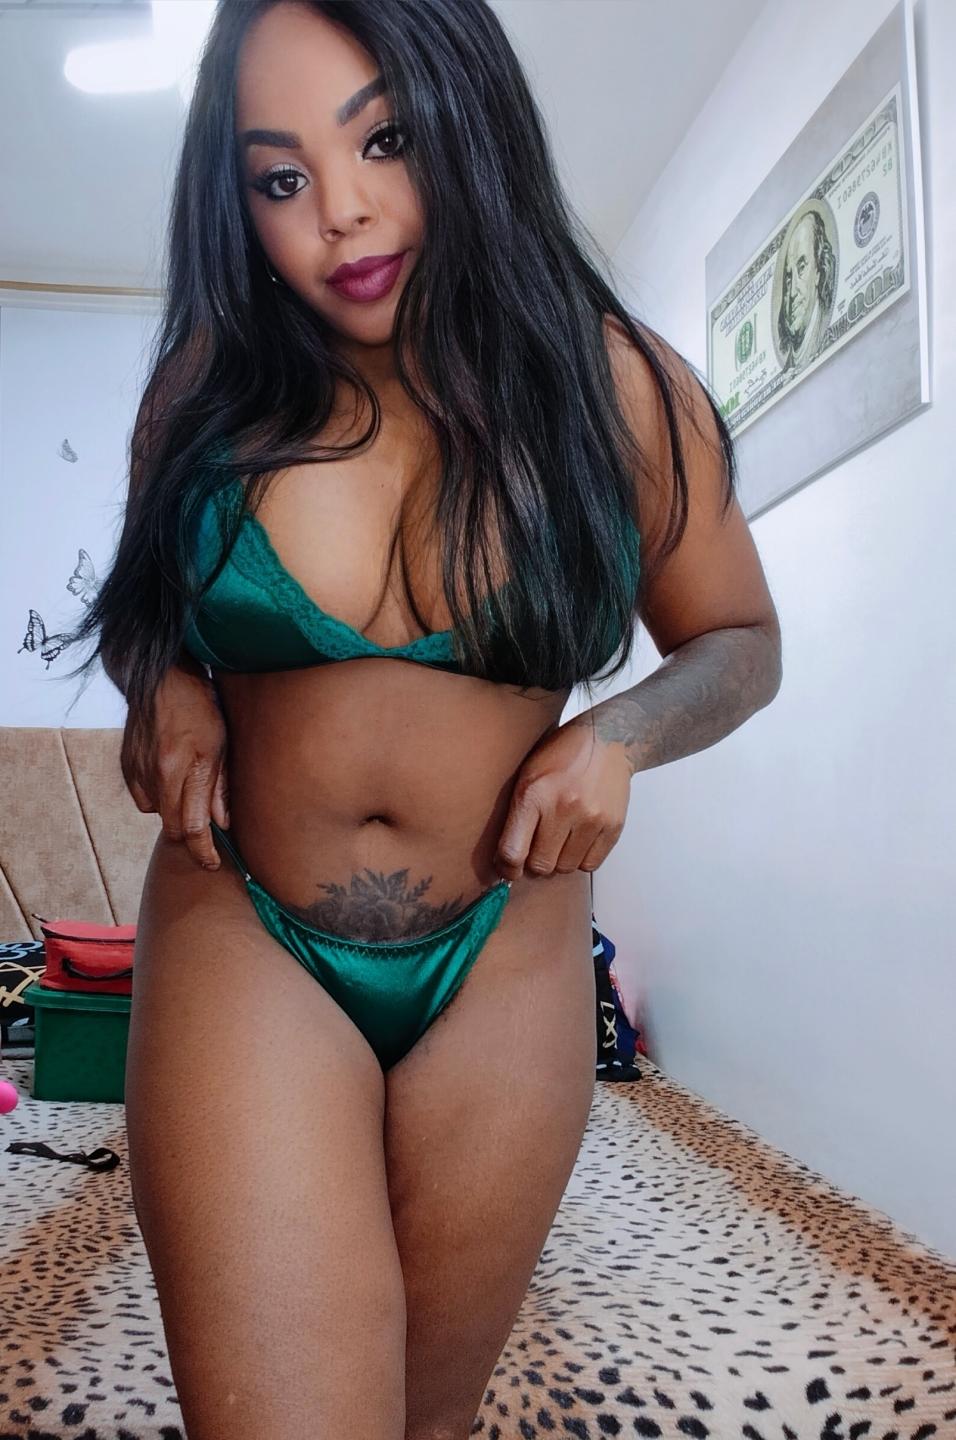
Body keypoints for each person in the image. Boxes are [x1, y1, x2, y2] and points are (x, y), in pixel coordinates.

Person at [60, 2, 782, 1436]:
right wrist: (169, 687)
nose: (339, 211)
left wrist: (620, 735)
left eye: (384, 139)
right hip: (244, 926)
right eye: (280, 177)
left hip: (508, 953)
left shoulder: (623, 392)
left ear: (471, 117)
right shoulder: (200, 393)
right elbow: (146, 616)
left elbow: (740, 644)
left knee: (426, 1420)